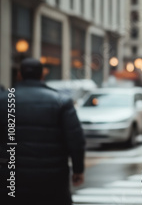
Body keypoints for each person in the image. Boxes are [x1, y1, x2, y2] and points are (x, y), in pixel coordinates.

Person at [0, 58, 86, 205]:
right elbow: (75, 140)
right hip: (52, 178)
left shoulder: (3, 100)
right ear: (42, 75)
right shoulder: (61, 101)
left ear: (19, 75)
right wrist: (78, 169)